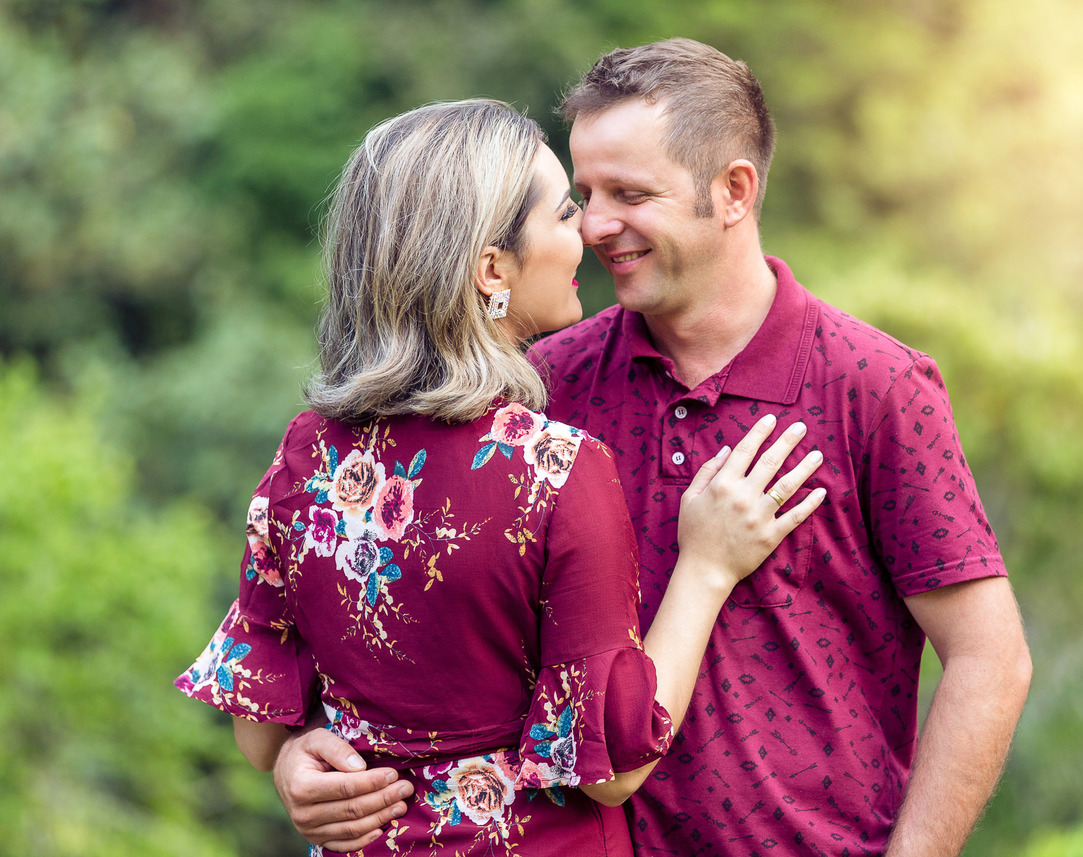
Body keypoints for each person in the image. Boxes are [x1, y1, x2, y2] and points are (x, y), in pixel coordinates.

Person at [272, 41, 1033, 857]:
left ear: (733, 191)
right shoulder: (541, 384)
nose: (597, 224)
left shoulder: (876, 388)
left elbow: (989, 659)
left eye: (630, 194)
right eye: (584, 193)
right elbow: (403, 615)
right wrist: (298, 751)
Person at [175, 98, 828, 857]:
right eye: (561, 215)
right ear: (492, 269)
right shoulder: (558, 470)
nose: (587, 229)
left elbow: (259, 733)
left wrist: (304, 753)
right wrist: (708, 569)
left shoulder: (307, 454)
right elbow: (611, 769)